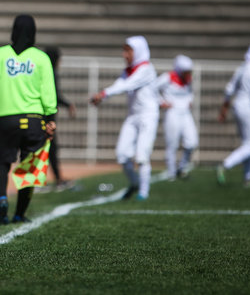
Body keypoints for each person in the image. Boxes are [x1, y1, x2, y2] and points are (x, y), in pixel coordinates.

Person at [0, 14, 57, 224]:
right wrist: (50, 117)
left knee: (2, 163)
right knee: (29, 166)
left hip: (7, 119)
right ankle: (19, 213)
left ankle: (3, 200)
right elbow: (48, 91)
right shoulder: (41, 58)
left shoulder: (1, 54)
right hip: (34, 120)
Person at [90, 36, 158, 201]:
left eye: (128, 50)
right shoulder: (129, 70)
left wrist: (104, 93)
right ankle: (134, 183)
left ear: (139, 51)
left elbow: (127, 85)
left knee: (142, 156)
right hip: (133, 116)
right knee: (122, 154)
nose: (124, 54)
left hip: (148, 116)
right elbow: (119, 84)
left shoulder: (146, 68)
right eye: (124, 50)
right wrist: (103, 97)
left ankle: (144, 192)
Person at [217, 43, 250, 188]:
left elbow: (229, 89)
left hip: (237, 107)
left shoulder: (243, 67)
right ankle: (225, 164)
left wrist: (224, 108)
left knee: (247, 144)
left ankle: (248, 177)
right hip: (248, 109)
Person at [156, 55, 198, 180]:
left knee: (192, 142)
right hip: (172, 112)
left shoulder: (188, 79)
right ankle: (171, 172)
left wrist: (190, 100)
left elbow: (190, 93)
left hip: (185, 113)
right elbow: (153, 89)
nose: (188, 74)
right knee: (172, 144)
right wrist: (161, 101)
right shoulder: (167, 77)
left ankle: (182, 167)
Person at [44, 46, 76, 188]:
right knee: (50, 148)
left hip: (37, 114)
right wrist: (68, 104)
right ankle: (55, 179)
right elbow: (54, 95)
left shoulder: (41, 70)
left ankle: (51, 179)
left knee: (44, 148)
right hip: (47, 116)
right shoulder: (51, 73)